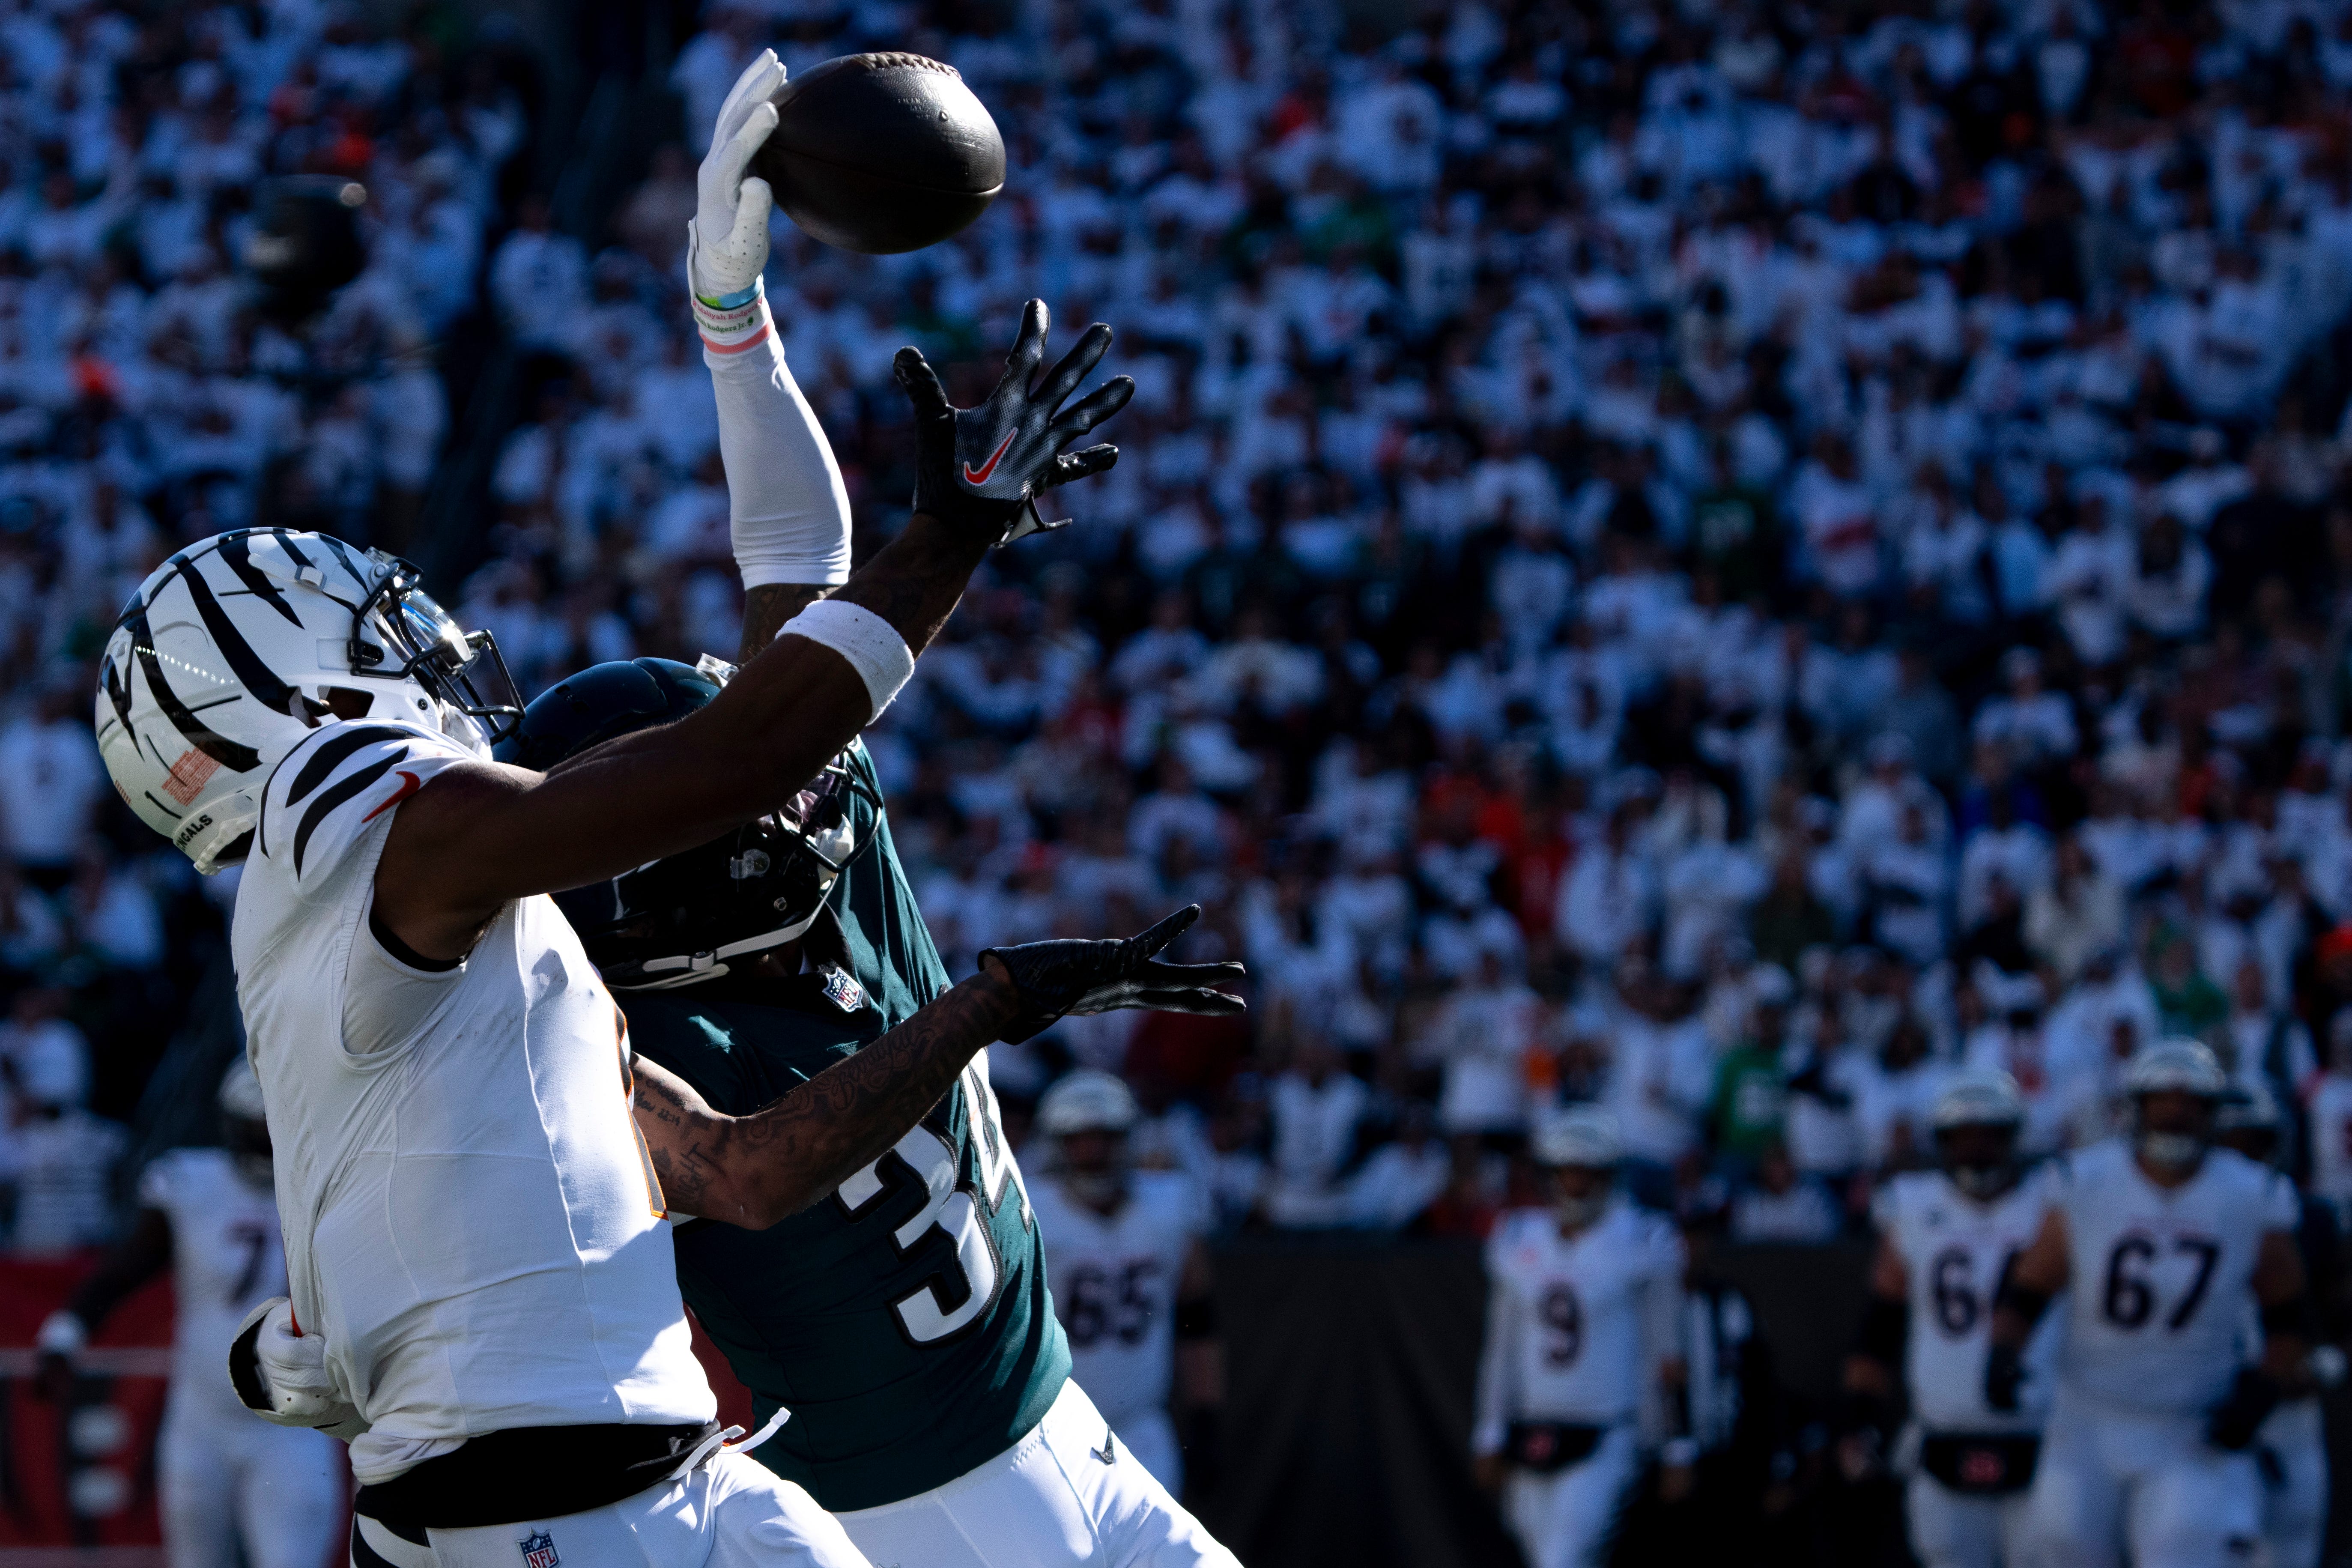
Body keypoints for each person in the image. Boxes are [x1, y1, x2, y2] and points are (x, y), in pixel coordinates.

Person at [91, 48, 1149, 1568]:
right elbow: (740, 755)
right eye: (345, 610)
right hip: (557, 1517)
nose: (407, 624)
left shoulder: (474, 932)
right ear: (272, 678)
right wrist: (951, 542)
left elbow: (739, 1164)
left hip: (681, 1479)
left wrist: (732, 318)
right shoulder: (384, 829)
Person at [1986, 1039, 2310, 1568]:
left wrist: (2263, 1388)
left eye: (2188, 1104)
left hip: (2188, 1420)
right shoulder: (2085, 1182)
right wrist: (2001, 1350)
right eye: (2162, 1102)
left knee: (2183, 1551)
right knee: (2063, 1544)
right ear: (2135, 1108)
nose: (2173, 1115)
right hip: (2087, 1415)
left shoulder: (2250, 1194)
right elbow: (2030, 1286)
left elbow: (2287, 1317)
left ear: (2211, 1113)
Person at [34, 1062, 343, 1568]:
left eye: (274, 1129)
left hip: (295, 1425)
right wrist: (65, 1333)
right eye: (255, 1129)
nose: (266, 1143)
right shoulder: (192, 1183)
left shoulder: (329, 1187)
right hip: (201, 1421)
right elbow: (124, 1271)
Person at [1845, 1069, 2053, 1568]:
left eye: (1988, 1135)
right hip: (1945, 1431)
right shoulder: (1914, 1207)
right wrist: (1858, 1421)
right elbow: (1881, 1322)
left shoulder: (2051, 1204)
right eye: (1962, 1137)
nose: (1976, 1150)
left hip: (2040, 1434)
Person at [1472, 1106, 1691, 1568]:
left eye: (1587, 1172)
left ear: (1608, 1175)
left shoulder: (1641, 1239)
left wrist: (1676, 1443)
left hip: (1606, 1428)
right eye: (1568, 1171)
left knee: (1562, 1559)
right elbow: (1501, 1347)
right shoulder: (1517, 1236)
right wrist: (1489, 1432)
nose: (1576, 1184)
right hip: (1533, 1427)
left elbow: (1666, 1349)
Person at [1028, 1069, 1221, 1494]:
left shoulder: (1168, 1205)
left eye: (1106, 1137)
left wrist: (1206, 1414)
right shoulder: (1029, 1212)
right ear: (1057, 1144)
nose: (1093, 1152)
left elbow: (1197, 1320)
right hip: (1051, 1427)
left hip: (1141, 1425)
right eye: (1080, 1139)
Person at [2213, 1083, 2340, 1568]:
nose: (2243, 1162)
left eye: (2253, 1145)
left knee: (2293, 1548)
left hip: (2291, 1414)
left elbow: (2337, 1305)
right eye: (2228, 1148)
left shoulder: (2309, 1219)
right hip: (2214, 1419)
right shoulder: (2179, 1217)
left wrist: (2329, 1358)